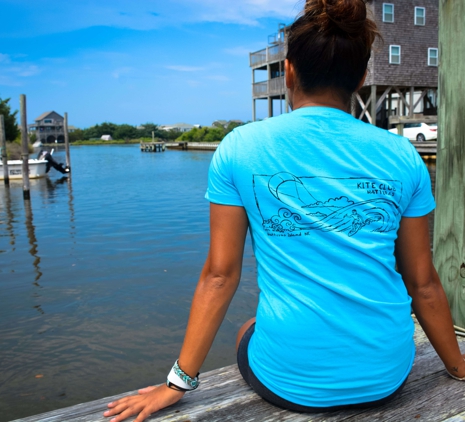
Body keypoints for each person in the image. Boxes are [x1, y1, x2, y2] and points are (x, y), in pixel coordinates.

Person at [104, 0, 465, 420]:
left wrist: (177, 383)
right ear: (363, 76)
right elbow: (422, 283)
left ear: (289, 71)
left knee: (247, 329)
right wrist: (458, 367)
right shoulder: (403, 156)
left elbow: (220, 276)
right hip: (386, 375)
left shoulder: (241, 147)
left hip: (291, 385)